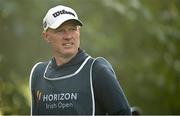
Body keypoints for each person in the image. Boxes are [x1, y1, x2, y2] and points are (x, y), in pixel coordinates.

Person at [29, 5, 131, 115]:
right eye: (60, 30)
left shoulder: (97, 70)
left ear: (79, 31)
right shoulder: (38, 73)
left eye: (72, 29)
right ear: (46, 36)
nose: (68, 36)